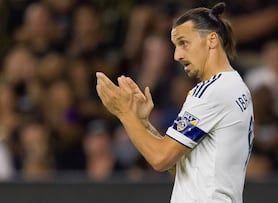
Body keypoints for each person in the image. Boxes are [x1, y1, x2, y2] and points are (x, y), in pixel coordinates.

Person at [96, 2, 254, 203]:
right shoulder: (235, 86)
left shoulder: (212, 92)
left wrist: (123, 113)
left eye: (184, 43)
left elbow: (160, 159)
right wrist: (142, 123)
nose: (177, 55)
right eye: (175, 46)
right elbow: (179, 164)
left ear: (211, 40)